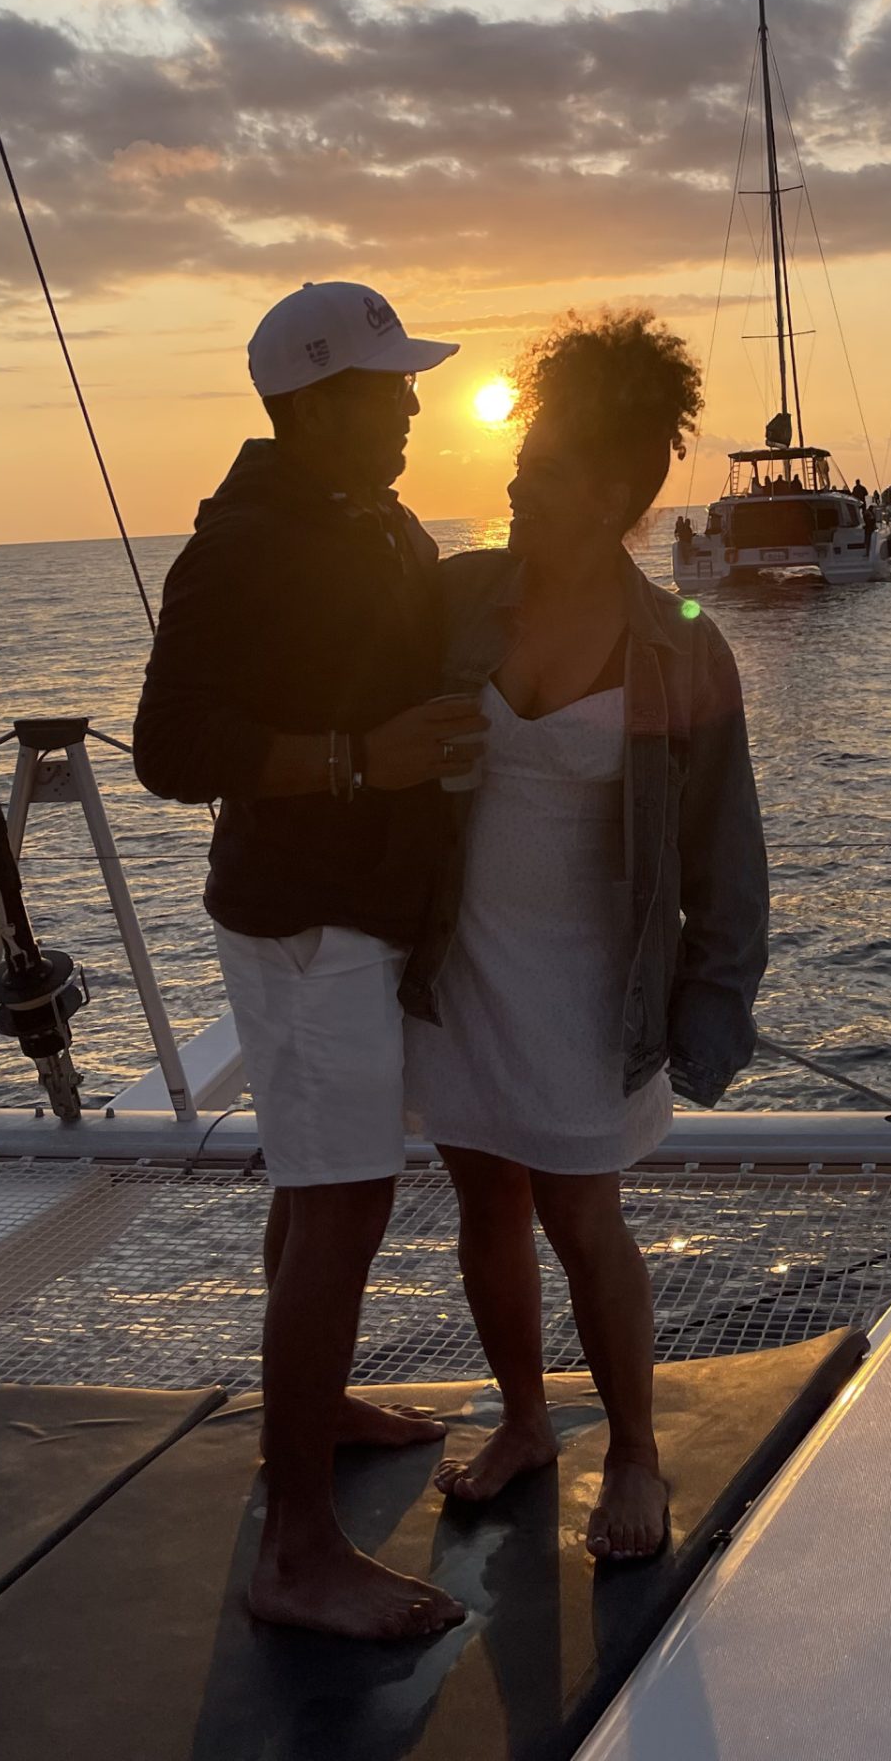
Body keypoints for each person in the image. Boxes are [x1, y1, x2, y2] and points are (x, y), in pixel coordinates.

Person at [133, 280, 486, 1642]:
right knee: (342, 1204)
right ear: (316, 399)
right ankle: (294, 1550)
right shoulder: (243, 548)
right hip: (305, 918)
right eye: (389, 385)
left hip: (349, 908)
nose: (413, 403)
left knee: (314, 1184)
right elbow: (170, 750)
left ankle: (315, 1416)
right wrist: (360, 762)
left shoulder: (369, 516)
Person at [402, 310, 769, 1560]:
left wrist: (714, 999)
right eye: (520, 454)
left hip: (591, 983)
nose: (514, 477)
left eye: (544, 463)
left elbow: (728, 850)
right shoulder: (456, 601)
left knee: (584, 1217)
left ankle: (637, 1453)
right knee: (483, 1202)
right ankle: (523, 1421)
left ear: (613, 486)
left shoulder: (680, 645)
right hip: (458, 963)